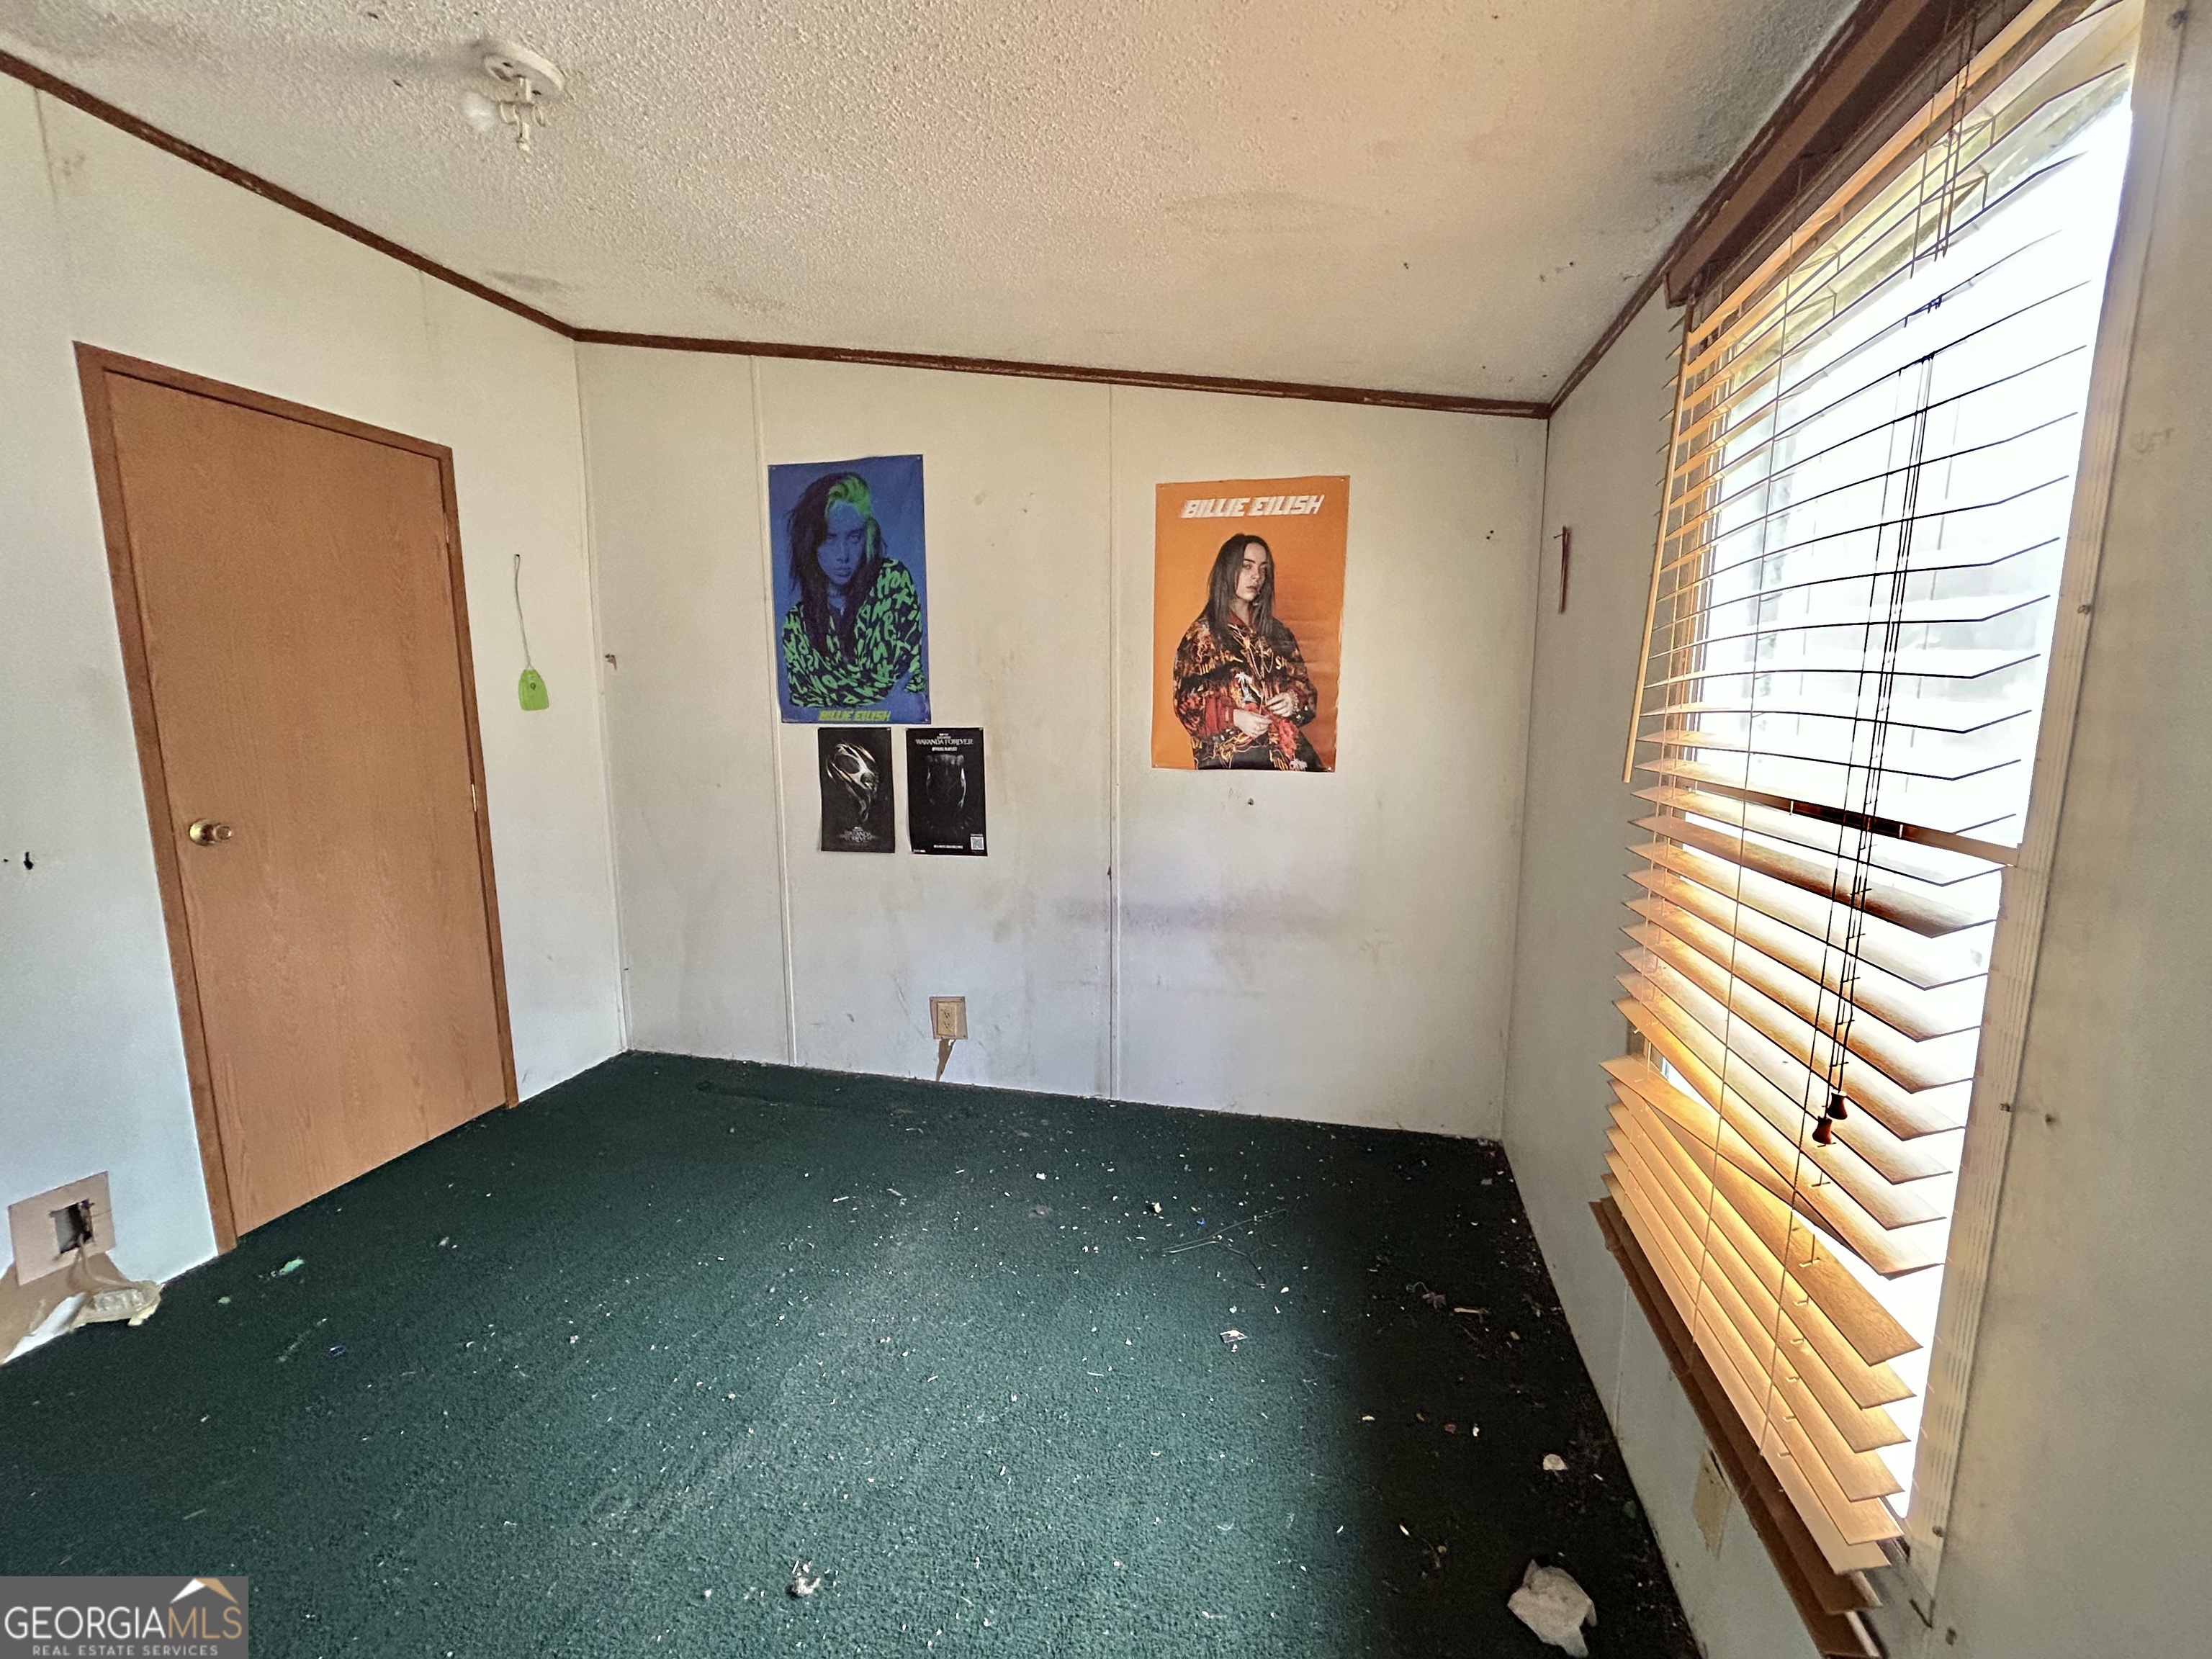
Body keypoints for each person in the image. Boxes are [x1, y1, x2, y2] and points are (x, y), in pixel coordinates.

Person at [780, 472, 927, 721]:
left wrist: (831, 702)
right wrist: (883, 704)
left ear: (868, 536)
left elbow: (911, 700)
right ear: (811, 543)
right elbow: (804, 715)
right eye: (829, 539)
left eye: (854, 537)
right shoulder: (797, 627)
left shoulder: (892, 585)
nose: (844, 555)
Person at [1172, 533, 1323, 770]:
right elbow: (1186, 704)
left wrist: (1293, 699)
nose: (1257, 576)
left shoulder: (1277, 632)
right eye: (1247, 567)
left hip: (1290, 762)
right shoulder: (1202, 636)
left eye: (1263, 569)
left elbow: (1306, 690)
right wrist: (1234, 717)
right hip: (1233, 767)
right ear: (1228, 570)